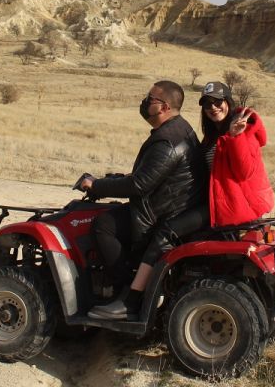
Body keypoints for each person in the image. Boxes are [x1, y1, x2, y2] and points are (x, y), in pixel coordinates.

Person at [77, 80, 205, 320]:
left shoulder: (167, 140)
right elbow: (150, 177)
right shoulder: (180, 128)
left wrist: (96, 185)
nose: (145, 102)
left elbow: (139, 184)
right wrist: (113, 180)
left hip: (161, 215)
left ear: (164, 107)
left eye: (150, 99)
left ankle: (126, 293)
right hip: (170, 205)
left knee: (104, 225)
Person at [198, 81, 274, 227]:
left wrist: (235, 137)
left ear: (228, 102)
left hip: (240, 207)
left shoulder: (244, 130)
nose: (213, 107)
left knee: (171, 229)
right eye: (207, 104)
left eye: (218, 101)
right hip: (222, 202)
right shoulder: (212, 136)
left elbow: (244, 172)